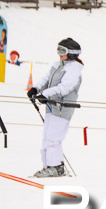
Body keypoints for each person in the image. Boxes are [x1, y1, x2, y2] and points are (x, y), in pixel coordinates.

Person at [27, 38, 83, 177]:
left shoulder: (74, 68)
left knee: (53, 138)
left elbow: (64, 88)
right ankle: (49, 167)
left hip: (62, 108)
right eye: (58, 49)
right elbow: (47, 79)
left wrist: (45, 94)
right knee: (47, 137)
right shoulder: (58, 64)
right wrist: (36, 88)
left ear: (72, 53)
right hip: (52, 106)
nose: (59, 53)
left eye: (62, 51)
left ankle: (56, 167)